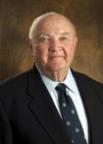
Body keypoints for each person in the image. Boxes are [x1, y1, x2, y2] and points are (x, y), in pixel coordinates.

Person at [0, 12, 103, 144]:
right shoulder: (5, 98)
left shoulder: (99, 92)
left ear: (74, 44)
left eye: (63, 38)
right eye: (44, 39)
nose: (55, 47)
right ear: (31, 47)